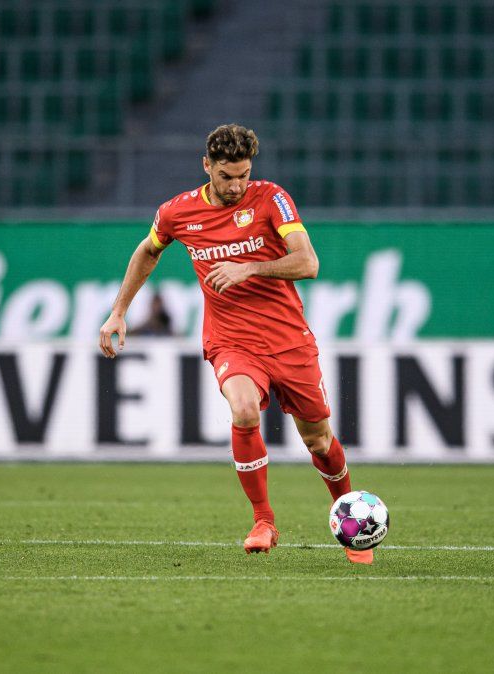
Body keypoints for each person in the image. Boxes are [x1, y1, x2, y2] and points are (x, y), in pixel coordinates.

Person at [98, 124, 372, 564]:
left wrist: (248, 269)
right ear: (207, 166)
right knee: (243, 409)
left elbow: (308, 262)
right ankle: (263, 520)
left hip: (288, 339)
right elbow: (148, 251)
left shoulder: (271, 198)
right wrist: (118, 311)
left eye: (243, 174)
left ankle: (351, 521)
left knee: (318, 439)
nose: (236, 185)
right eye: (227, 176)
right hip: (231, 340)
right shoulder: (177, 212)